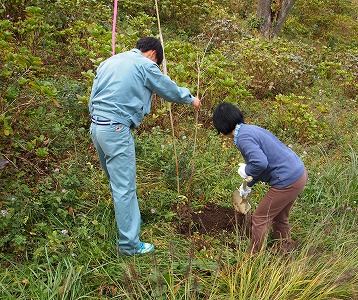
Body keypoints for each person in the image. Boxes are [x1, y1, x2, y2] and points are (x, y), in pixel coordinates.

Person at [89, 37, 201, 255]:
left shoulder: (111, 61)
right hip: (116, 129)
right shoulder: (145, 64)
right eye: (157, 62)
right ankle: (129, 246)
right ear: (152, 54)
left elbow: (94, 95)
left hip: (97, 127)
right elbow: (166, 88)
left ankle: (127, 226)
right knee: (124, 188)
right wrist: (190, 99)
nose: (156, 66)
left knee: (117, 183)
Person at [212, 102, 307, 253]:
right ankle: (285, 250)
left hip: (287, 180)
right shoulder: (248, 130)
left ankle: (252, 258)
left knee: (260, 218)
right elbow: (258, 165)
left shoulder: (243, 138)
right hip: (298, 174)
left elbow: (259, 163)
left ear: (222, 127)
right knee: (280, 216)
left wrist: (247, 169)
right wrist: (245, 187)